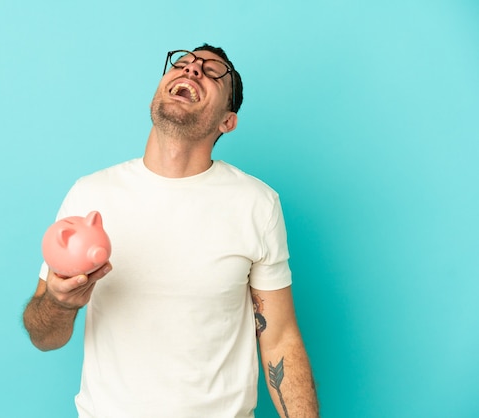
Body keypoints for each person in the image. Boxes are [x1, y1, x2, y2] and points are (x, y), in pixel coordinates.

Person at [23, 44, 319, 417]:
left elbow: (279, 340)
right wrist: (59, 303)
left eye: (212, 73)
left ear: (227, 121)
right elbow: (44, 337)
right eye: (182, 64)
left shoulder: (256, 203)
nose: (192, 69)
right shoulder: (90, 195)